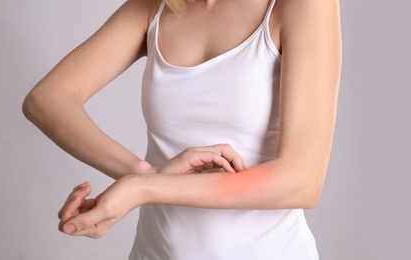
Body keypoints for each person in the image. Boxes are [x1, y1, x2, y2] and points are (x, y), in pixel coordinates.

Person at [22, 0, 342, 258]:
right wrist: (141, 173)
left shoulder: (301, 5)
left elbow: (302, 181)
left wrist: (144, 189)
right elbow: (46, 98)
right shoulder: (156, 7)